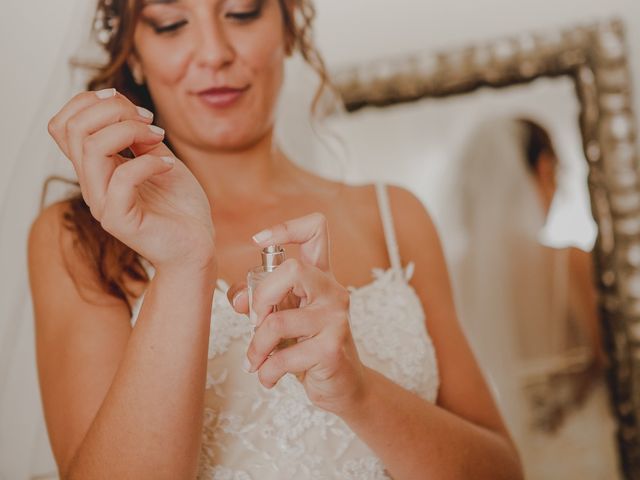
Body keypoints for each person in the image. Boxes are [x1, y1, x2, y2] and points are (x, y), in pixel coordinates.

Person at [27, 1, 523, 478]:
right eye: (171, 23)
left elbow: (503, 474)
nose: (214, 51)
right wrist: (183, 268)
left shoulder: (395, 217)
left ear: (288, 23)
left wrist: (359, 394)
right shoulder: (79, 238)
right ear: (133, 51)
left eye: (241, 12)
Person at [448, 117, 619, 479]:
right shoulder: (570, 263)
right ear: (544, 168)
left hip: (494, 456)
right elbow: (615, 362)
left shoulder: (452, 275)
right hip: (582, 457)